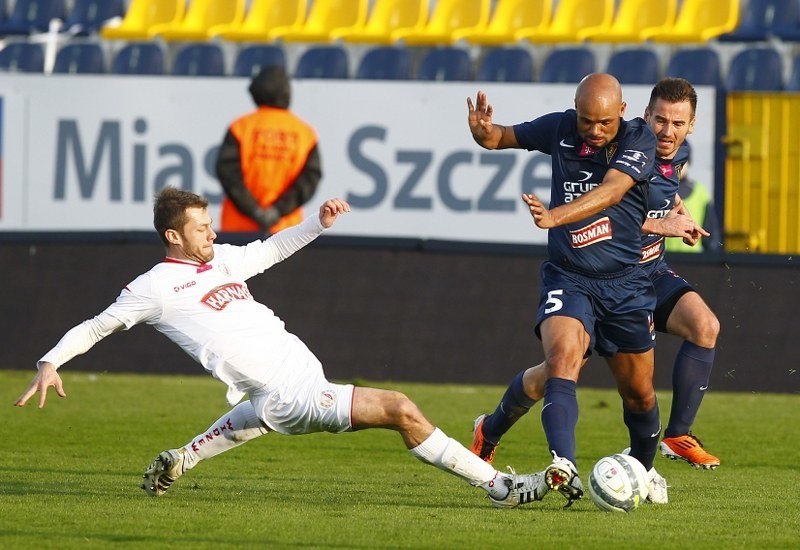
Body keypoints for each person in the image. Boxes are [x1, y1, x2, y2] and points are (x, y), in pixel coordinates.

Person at [14, 187, 548, 509]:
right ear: (173, 237)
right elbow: (97, 325)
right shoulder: (154, 287)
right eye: (201, 227)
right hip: (293, 394)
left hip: (282, 391)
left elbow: (271, 249)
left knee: (256, 411)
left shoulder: (219, 261)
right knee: (401, 409)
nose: (212, 231)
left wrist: (318, 223)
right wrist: (50, 361)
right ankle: (499, 486)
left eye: (210, 222)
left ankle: (184, 458)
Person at [469, 78, 721, 481]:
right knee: (559, 366)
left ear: (691, 125)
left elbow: (626, 198)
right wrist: (486, 135)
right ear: (642, 114)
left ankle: (665, 445)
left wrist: (674, 216)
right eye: (660, 120)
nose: (667, 131)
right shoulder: (607, 137)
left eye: (677, 124)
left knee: (674, 356)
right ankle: (558, 462)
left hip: (639, 277)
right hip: (579, 275)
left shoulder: (661, 151)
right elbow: (613, 202)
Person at [216, 65, 321, 234]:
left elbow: (228, 173)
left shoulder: (241, 127)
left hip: (238, 227)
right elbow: (310, 179)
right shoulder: (305, 133)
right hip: (286, 230)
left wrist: (255, 210)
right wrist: (278, 211)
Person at [665, 145, 722, 255]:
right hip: (662, 259)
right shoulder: (656, 189)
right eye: (673, 161)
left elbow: (709, 231)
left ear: (689, 163)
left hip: (692, 260)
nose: (678, 166)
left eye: (682, 161)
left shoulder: (700, 192)